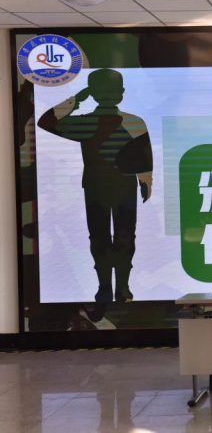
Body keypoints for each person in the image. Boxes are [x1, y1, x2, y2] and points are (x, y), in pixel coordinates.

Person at [37, 69, 153, 303]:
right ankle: (113, 288)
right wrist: (146, 180)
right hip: (110, 187)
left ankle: (114, 287)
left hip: (107, 187)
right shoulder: (127, 121)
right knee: (115, 237)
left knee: (109, 237)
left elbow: (47, 120)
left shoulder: (91, 122)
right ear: (121, 93)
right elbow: (144, 156)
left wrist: (77, 99)